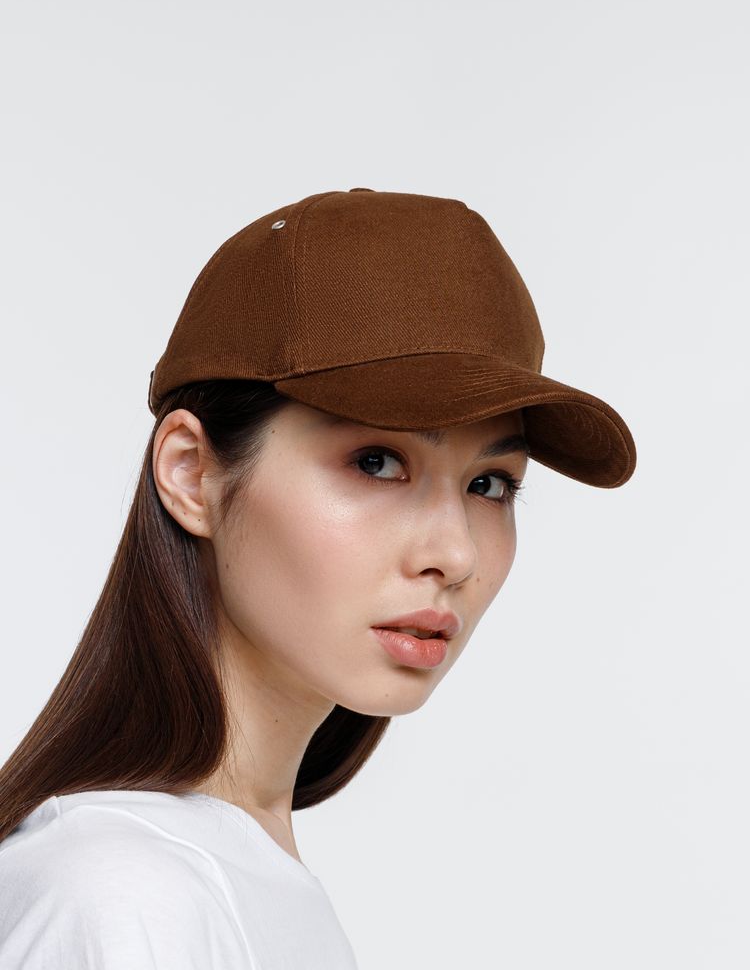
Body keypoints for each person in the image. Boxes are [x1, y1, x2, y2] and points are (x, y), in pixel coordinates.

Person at [0, 188, 637, 968]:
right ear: (192, 474)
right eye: (377, 462)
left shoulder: (236, 869)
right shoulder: (124, 893)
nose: (456, 553)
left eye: (489, 483)